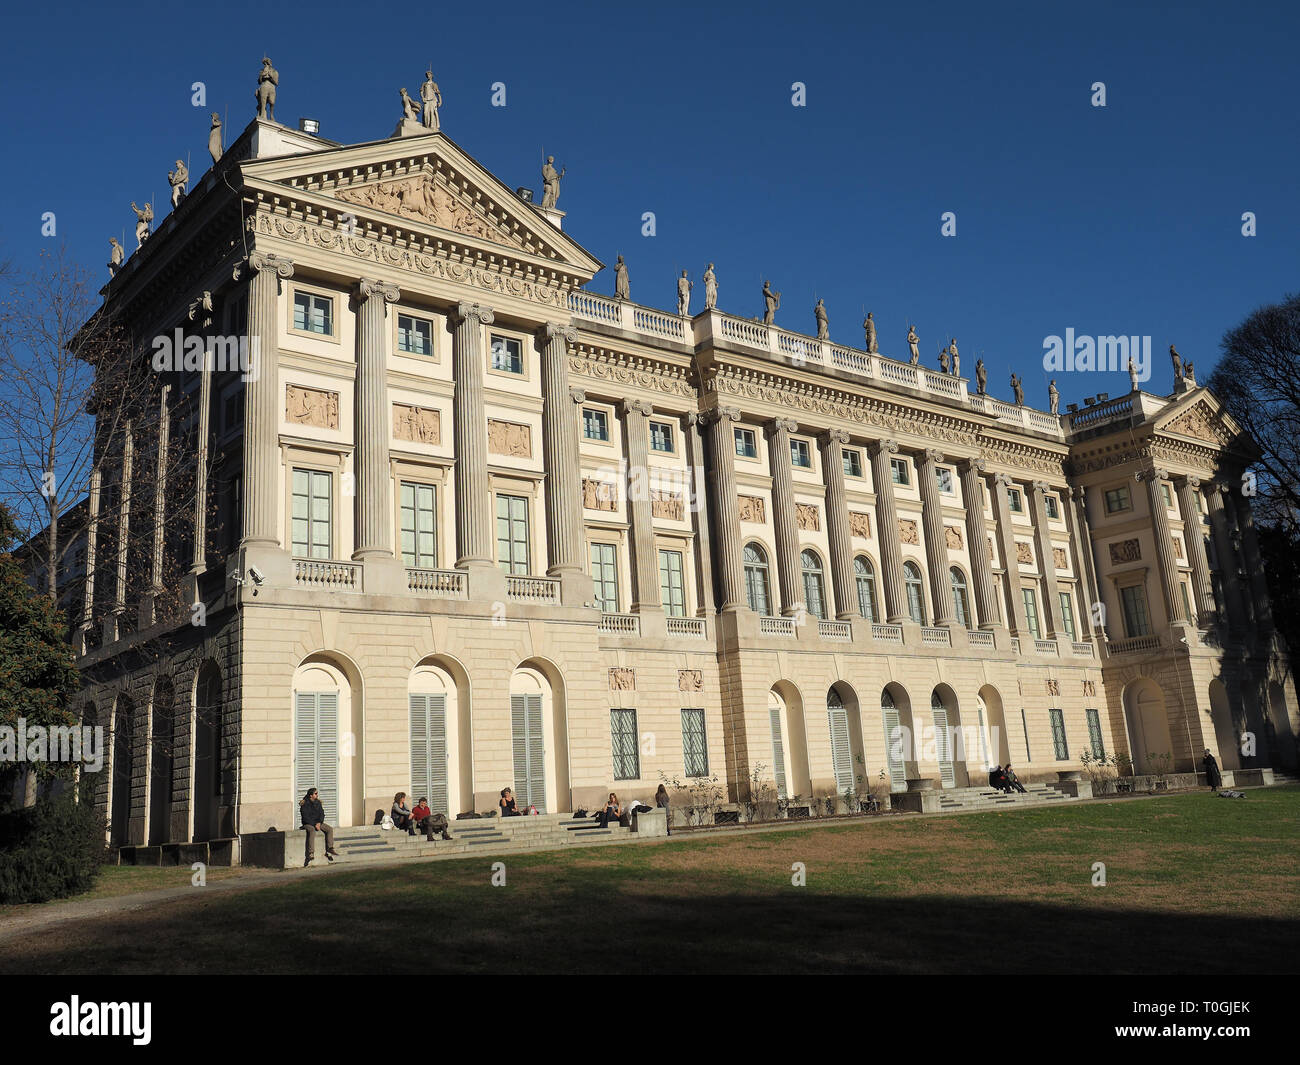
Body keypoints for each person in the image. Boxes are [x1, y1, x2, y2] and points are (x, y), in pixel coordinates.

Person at [300, 788, 337, 866]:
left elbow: (322, 814)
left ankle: (330, 849)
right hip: (308, 823)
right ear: (311, 795)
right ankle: (311, 853)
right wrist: (314, 824)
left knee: (329, 829)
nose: (317, 795)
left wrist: (319, 823)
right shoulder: (305, 804)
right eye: (315, 793)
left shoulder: (318, 803)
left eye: (317, 793)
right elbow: (305, 817)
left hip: (318, 822)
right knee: (312, 830)